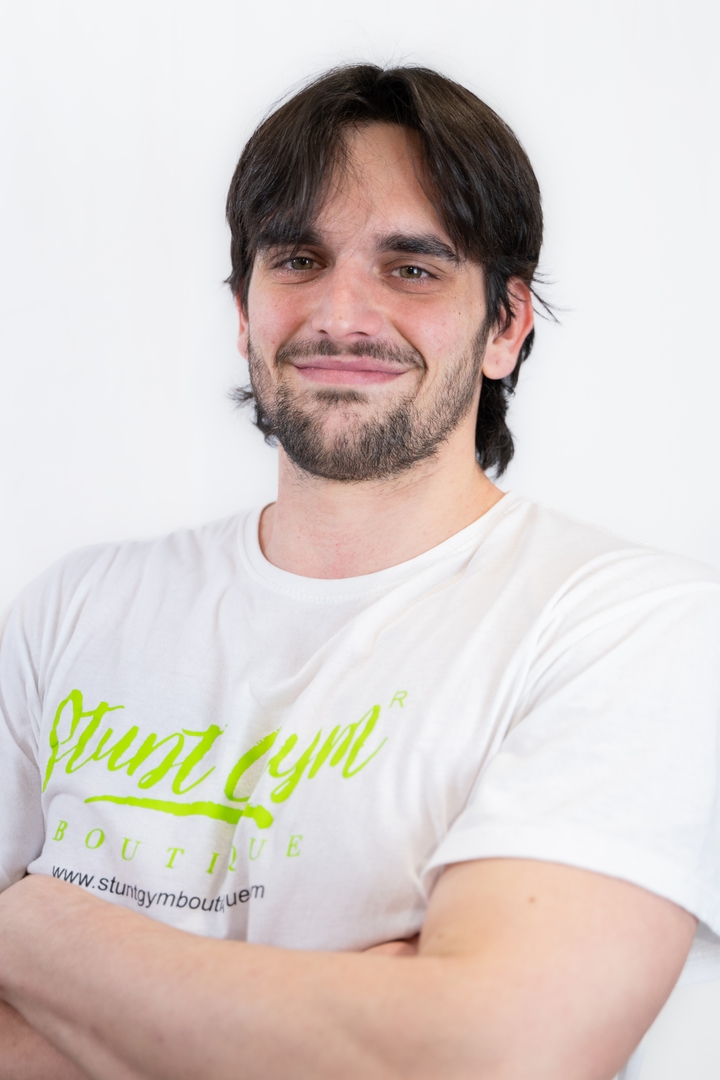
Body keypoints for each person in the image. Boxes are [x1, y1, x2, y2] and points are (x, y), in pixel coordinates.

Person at [0, 63, 719, 1080]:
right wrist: (356, 1013)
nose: (341, 314)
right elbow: (408, 1049)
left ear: (506, 326)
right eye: (298, 259)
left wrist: (35, 929)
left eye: (411, 269)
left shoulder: (629, 628)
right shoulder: (74, 609)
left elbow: (492, 1056)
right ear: (242, 311)